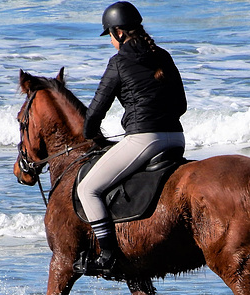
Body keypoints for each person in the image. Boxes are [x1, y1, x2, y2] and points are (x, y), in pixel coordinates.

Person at [77, 1, 187, 275]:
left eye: (111, 37)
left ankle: (108, 255)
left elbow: (95, 111)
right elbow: (181, 105)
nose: (112, 43)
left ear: (119, 33)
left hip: (143, 140)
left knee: (87, 189)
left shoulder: (119, 62)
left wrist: (90, 134)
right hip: (176, 139)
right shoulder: (163, 55)